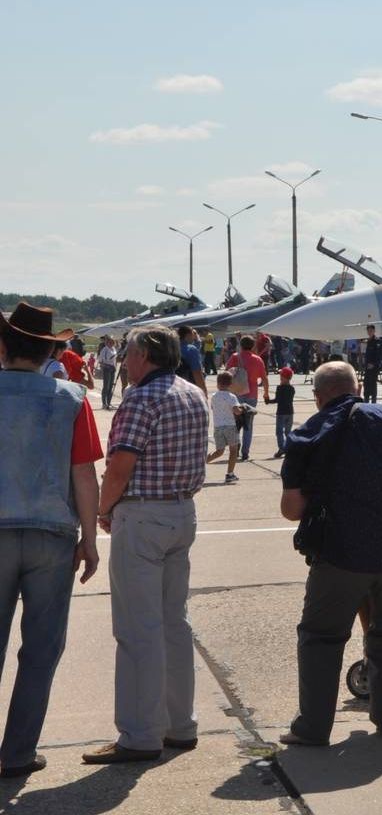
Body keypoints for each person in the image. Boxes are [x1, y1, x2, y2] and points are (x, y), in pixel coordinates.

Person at [277, 362, 382, 746]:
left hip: (340, 553)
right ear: (358, 386)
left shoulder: (309, 434)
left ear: (318, 396)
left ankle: (313, 727)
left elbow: (292, 508)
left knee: (321, 637)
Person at [84, 325, 210, 766]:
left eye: (129, 354)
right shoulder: (193, 393)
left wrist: (103, 508)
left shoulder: (140, 398)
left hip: (142, 515)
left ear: (145, 356)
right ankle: (181, 725)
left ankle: (139, 735)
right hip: (181, 513)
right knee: (174, 623)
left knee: (138, 629)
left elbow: (120, 465)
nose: (124, 362)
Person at [0, 301, 102, 780]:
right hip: (51, 536)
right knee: (40, 650)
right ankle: (18, 752)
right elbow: (83, 473)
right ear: (48, 350)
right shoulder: (72, 398)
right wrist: (90, 538)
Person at [224, 336, 270, 460]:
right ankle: (245, 452)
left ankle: (236, 447)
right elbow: (264, 378)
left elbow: (226, 372)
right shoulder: (258, 359)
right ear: (253, 346)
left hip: (237, 394)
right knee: (248, 424)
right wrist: (266, 393)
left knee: (236, 423)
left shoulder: (235, 357)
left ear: (241, 345)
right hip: (252, 395)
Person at [205, 372, 243, 483]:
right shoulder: (232, 397)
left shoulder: (214, 397)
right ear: (230, 384)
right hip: (230, 426)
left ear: (218, 384)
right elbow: (236, 411)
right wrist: (241, 410)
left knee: (219, 451)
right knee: (233, 451)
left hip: (218, 427)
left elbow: (213, 408)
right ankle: (230, 473)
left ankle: (202, 463)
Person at [272, 367, 296, 459]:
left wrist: (268, 401)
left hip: (281, 412)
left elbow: (277, 400)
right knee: (288, 432)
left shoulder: (280, 388)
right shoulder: (292, 389)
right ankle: (290, 447)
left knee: (279, 432)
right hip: (290, 412)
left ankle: (282, 448)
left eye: (281, 376)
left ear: (284, 377)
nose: (280, 378)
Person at [97, 336, 119, 409]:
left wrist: (115, 366)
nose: (112, 343)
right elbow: (100, 360)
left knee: (111, 386)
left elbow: (114, 359)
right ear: (107, 343)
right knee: (106, 386)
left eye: (113, 342)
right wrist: (104, 365)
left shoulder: (113, 349)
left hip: (112, 368)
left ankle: (108, 403)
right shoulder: (105, 349)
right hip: (107, 368)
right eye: (110, 342)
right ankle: (104, 403)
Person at [361, 325, 381, 403]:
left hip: (373, 367)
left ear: (374, 331)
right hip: (367, 367)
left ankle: (373, 402)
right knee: (366, 384)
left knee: (373, 385)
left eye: (371, 331)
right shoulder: (368, 341)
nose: (369, 332)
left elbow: (379, 355)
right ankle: (366, 400)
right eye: (368, 331)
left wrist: (373, 364)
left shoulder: (377, 341)